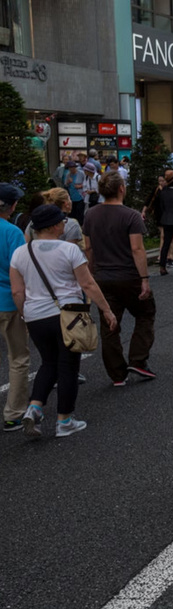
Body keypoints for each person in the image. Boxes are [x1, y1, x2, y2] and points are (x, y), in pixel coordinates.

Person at [11, 205, 117, 438]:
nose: (65, 223)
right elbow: (87, 284)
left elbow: (17, 291)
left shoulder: (20, 252)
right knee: (68, 365)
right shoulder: (69, 250)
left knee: (48, 362)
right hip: (67, 314)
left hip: (35, 315)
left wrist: (25, 314)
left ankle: (35, 407)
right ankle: (65, 420)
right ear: (52, 225)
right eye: (62, 220)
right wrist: (106, 310)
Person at [82, 171, 157, 386]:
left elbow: (88, 247)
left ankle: (117, 374)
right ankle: (138, 360)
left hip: (102, 276)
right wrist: (144, 278)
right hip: (129, 275)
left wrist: (92, 272)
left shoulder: (90, 215)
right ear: (121, 188)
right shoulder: (130, 215)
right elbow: (137, 249)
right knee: (145, 313)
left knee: (110, 323)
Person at [0, 184, 30, 432]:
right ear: (12, 206)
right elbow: (20, 275)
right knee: (18, 357)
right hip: (8, 301)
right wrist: (24, 307)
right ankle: (14, 413)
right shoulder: (13, 233)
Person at [144, 170, 173, 275]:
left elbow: (160, 207)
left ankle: (162, 266)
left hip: (166, 219)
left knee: (166, 243)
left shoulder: (162, 193)